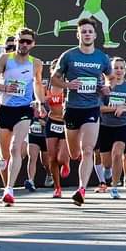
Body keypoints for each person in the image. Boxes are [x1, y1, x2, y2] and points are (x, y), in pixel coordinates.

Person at [51, 19, 112, 206]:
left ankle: (81, 189)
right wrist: (68, 85)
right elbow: (54, 79)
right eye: (83, 31)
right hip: (72, 109)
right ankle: (70, 163)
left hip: (92, 108)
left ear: (95, 35)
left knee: (87, 150)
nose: (87, 34)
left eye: (89, 31)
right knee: (75, 153)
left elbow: (110, 79)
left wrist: (107, 88)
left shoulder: (102, 57)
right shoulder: (68, 56)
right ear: (78, 35)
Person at [0, 28, 47, 206]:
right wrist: (5, 88)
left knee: (15, 148)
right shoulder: (5, 59)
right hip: (5, 110)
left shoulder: (36, 63)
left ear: (33, 44)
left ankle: (10, 189)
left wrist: (40, 102)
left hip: (23, 110)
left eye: (28, 42)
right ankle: (6, 180)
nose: (24, 45)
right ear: (17, 42)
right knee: (5, 154)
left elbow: (37, 84)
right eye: (22, 41)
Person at [98, 57, 126, 199]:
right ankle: (107, 171)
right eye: (116, 68)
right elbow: (100, 108)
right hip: (105, 126)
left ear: (125, 70)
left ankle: (114, 187)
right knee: (106, 163)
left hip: (122, 125)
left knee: (117, 154)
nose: (119, 71)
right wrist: (115, 108)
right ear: (111, 70)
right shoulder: (105, 87)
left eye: (121, 68)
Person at [53, 0, 121, 48]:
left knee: (105, 21)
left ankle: (107, 41)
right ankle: (60, 24)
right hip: (89, 7)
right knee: (79, 22)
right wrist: (78, 1)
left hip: (97, 8)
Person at [43, 63, 71, 198]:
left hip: (65, 123)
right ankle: (57, 188)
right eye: (54, 70)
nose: (57, 73)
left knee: (61, 158)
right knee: (52, 158)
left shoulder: (68, 86)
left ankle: (66, 163)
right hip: (52, 122)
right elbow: (40, 100)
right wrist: (40, 106)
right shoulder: (47, 87)